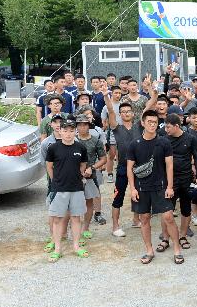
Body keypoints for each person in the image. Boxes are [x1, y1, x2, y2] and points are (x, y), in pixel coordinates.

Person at [126, 110, 181, 265]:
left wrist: (170, 187)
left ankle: (177, 248)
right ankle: (149, 250)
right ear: (143, 123)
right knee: (144, 218)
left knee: (168, 217)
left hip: (161, 186)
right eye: (149, 121)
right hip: (141, 187)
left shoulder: (164, 142)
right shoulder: (134, 144)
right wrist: (133, 189)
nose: (152, 124)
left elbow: (169, 166)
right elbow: (130, 168)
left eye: (155, 122)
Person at [104, 88, 154, 237]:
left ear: (133, 113)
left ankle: (135, 219)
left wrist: (154, 91)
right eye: (123, 111)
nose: (126, 113)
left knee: (138, 194)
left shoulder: (139, 125)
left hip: (139, 168)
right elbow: (111, 111)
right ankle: (115, 226)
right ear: (121, 114)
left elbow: (149, 106)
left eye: (128, 111)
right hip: (122, 168)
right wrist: (106, 96)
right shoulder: (116, 128)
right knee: (118, 197)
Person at [44, 119, 90, 262]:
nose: (68, 134)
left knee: (76, 218)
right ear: (60, 131)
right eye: (65, 130)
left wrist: (78, 176)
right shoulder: (53, 148)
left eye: (71, 131)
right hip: (59, 189)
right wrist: (55, 181)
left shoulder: (81, 148)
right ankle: (58, 248)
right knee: (57, 219)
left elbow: (83, 165)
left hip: (77, 188)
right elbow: (49, 167)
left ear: (75, 131)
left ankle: (76, 246)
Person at [163, 113, 197, 250]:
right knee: (167, 210)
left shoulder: (191, 138)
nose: (166, 130)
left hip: (186, 178)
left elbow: (196, 157)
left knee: (186, 209)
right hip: (170, 180)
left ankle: (183, 236)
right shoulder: (164, 140)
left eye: (168, 127)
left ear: (177, 126)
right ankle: (165, 238)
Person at [73, 114, 106, 243]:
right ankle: (75, 228)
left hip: (90, 176)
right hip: (74, 177)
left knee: (89, 202)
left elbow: (103, 159)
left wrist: (92, 168)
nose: (82, 127)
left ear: (89, 125)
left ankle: (85, 228)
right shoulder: (72, 140)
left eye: (85, 124)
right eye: (80, 124)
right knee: (73, 204)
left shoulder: (96, 140)